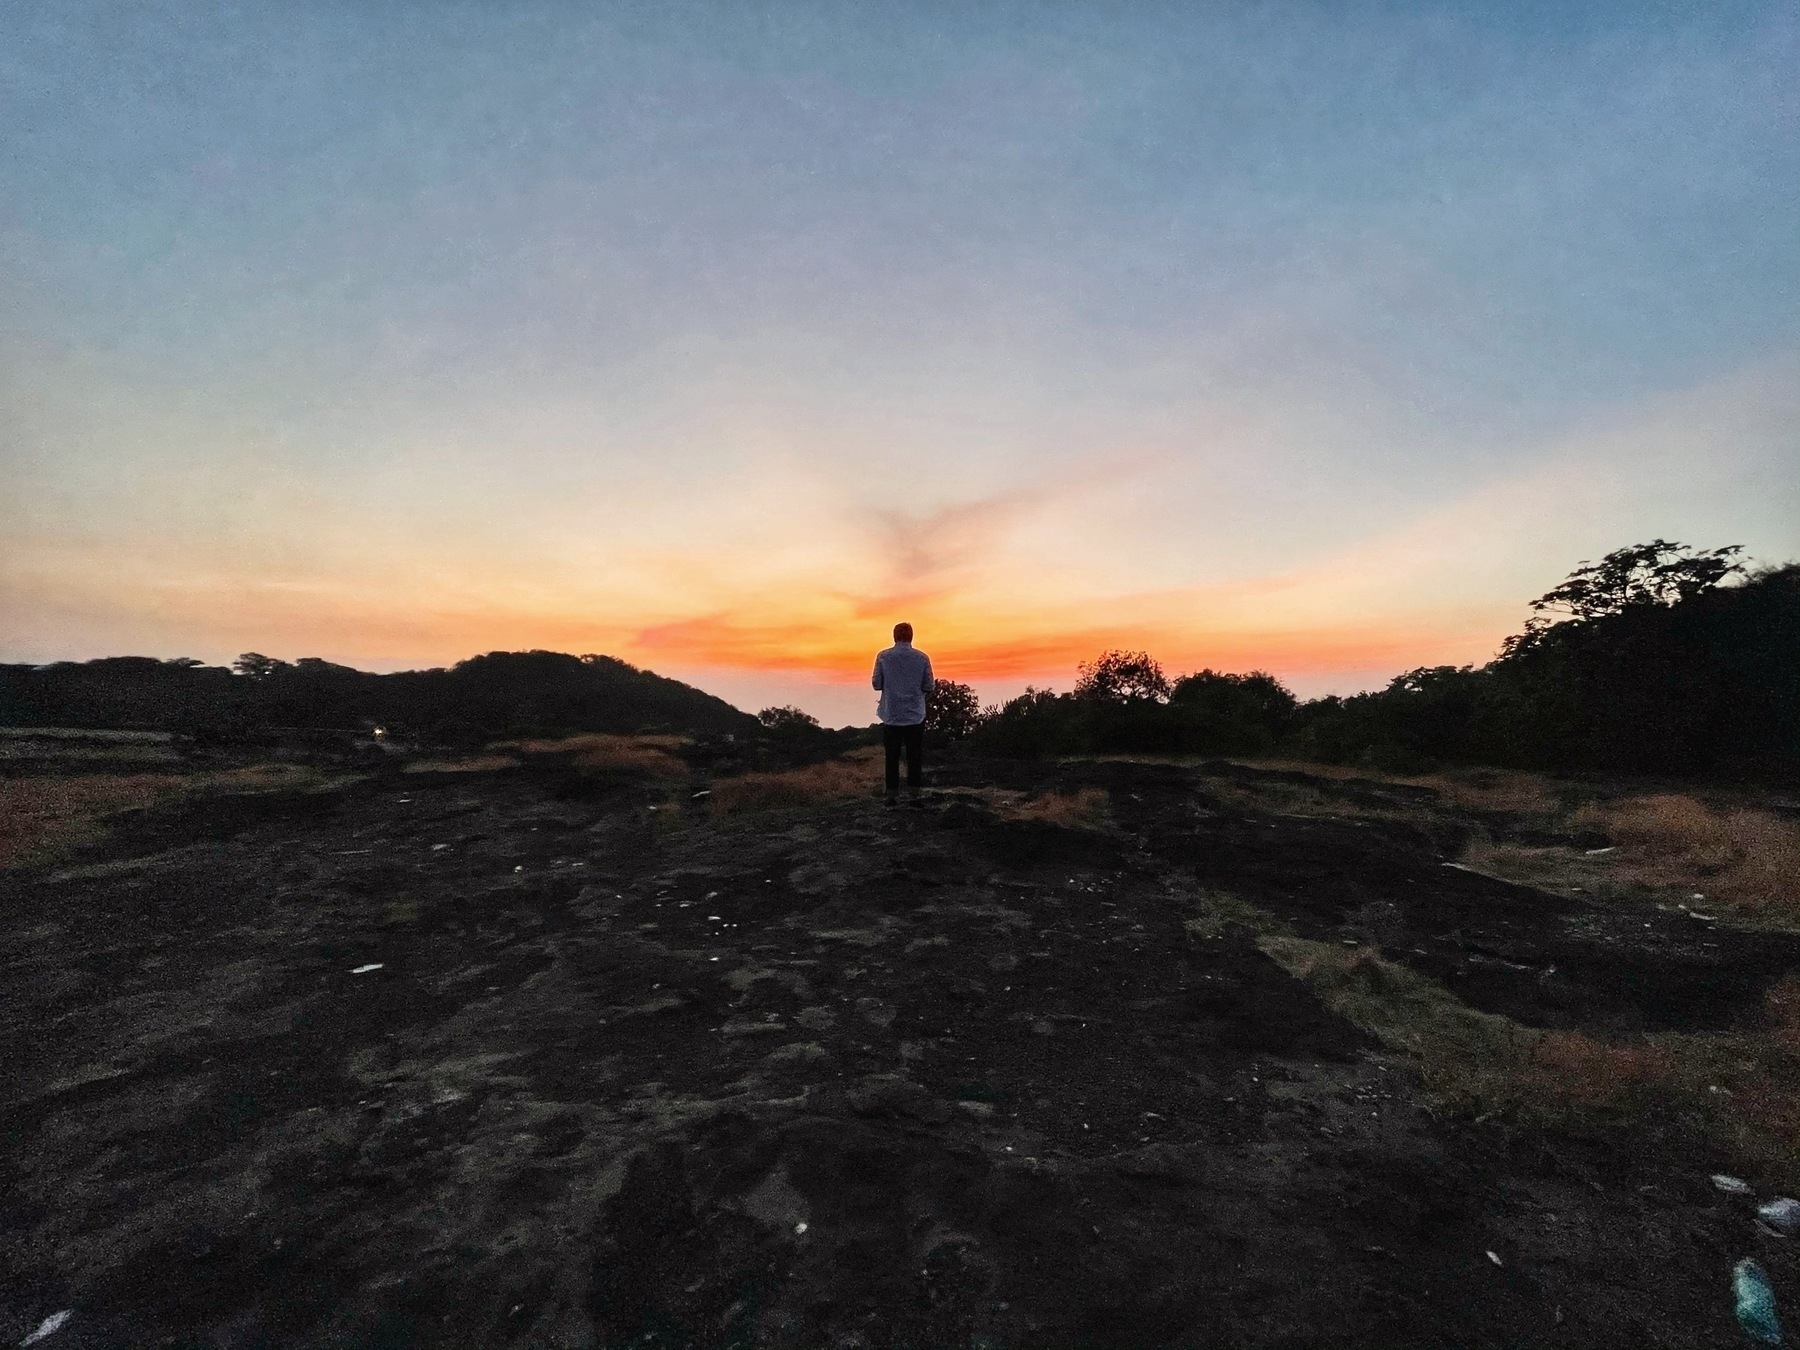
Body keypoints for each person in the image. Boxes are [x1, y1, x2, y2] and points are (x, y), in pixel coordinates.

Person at [871, 622, 933, 804]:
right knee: (915, 755)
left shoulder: (883, 657)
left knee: (892, 756)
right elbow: (929, 685)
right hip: (915, 714)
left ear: (894, 636)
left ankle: (891, 795)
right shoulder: (922, 658)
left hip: (892, 713)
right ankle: (914, 794)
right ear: (911, 636)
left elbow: (876, 684)